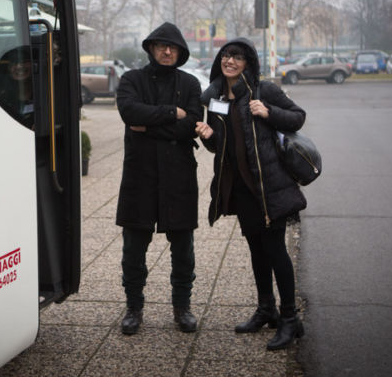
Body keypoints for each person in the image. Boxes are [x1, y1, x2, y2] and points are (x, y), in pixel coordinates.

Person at [194, 38, 307, 350]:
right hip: (241, 189)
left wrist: (269, 112)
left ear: (248, 63)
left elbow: (298, 117)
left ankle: (289, 319)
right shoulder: (216, 96)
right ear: (219, 61)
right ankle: (266, 309)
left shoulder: (263, 90)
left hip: (268, 187)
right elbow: (222, 146)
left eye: (237, 57)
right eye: (226, 56)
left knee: (275, 251)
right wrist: (208, 136)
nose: (230, 61)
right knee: (257, 251)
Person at [115, 22, 202, 335]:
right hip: (140, 176)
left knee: (184, 250)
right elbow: (129, 112)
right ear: (151, 48)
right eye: (162, 46)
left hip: (179, 175)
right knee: (133, 250)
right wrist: (171, 114)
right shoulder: (131, 79)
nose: (167, 51)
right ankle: (134, 307)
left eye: (173, 47)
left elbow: (191, 124)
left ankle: (182, 307)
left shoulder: (191, 84)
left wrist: (150, 124)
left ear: (180, 52)